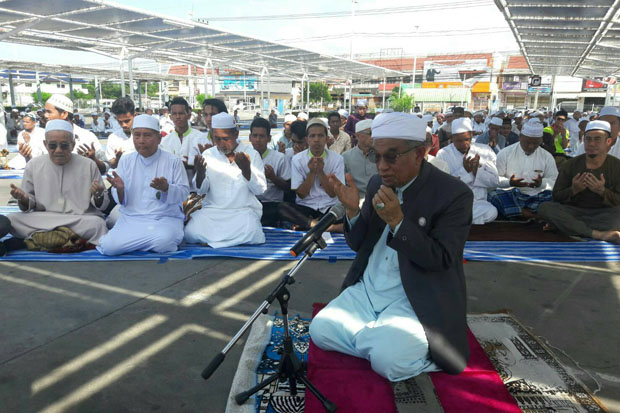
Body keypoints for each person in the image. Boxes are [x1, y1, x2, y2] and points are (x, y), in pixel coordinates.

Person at [309, 111, 473, 381]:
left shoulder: (453, 195)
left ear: (420, 153)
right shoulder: (377, 183)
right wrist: (352, 212)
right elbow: (359, 244)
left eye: (391, 156)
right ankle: (381, 338)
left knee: (389, 361)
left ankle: (388, 344)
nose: (381, 166)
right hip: (370, 289)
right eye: (377, 156)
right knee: (321, 329)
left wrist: (398, 222)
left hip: (414, 298)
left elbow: (442, 259)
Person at [1, 120, 109, 253]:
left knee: (98, 224)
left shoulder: (88, 165)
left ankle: (34, 239)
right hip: (45, 218)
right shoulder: (34, 165)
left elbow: (102, 205)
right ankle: (64, 238)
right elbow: (29, 204)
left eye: (64, 145)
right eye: (53, 145)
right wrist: (23, 199)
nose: (58, 150)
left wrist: (98, 194)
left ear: (73, 145)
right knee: (13, 219)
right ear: (45, 145)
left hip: (78, 219)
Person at [97, 115, 189, 255]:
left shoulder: (173, 161)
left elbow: (183, 192)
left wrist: (167, 188)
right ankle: (143, 242)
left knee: (164, 243)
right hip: (132, 219)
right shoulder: (126, 160)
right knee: (109, 247)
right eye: (137, 135)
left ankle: (135, 243)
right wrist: (120, 190)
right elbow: (122, 201)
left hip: (164, 218)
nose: (141, 141)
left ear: (159, 139)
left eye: (147, 135)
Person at [185, 112, 266, 247]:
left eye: (225, 139)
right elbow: (201, 190)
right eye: (217, 139)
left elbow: (260, 190)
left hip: (242, 211)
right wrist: (200, 174)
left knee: (252, 232)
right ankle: (225, 241)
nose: (221, 144)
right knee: (190, 232)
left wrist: (247, 171)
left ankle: (213, 241)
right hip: (213, 212)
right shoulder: (208, 154)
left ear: (236, 135)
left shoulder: (251, 154)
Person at [538, 120, 620, 243]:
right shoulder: (571, 164)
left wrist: (602, 191)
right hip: (574, 211)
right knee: (544, 208)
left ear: (608, 142)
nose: (592, 144)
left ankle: (571, 228)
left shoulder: (616, 166)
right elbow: (557, 196)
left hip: (604, 214)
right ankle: (597, 234)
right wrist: (574, 190)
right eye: (588, 139)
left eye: (597, 139)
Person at [279, 118, 345, 230]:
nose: (316, 140)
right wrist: (312, 172)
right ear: (307, 139)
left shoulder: (337, 159)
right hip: (306, 207)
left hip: (329, 207)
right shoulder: (297, 159)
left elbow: (333, 194)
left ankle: (310, 225)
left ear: (326, 139)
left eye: (320, 136)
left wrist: (320, 172)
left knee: (348, 210)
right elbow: (301, 194)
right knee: (282, 208)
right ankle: (326, 226)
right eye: (312, 136)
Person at [487, 119, 558, 220]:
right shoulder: (505, 153)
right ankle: (533, 215)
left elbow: (554, 180)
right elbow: (494, 179)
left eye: (535, 143)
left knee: (556, 197)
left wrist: (541, 183)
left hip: (537, 195)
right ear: (520, 137)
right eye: (527, 142)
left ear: (540, 141)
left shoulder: (547, 156)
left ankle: (517, 212)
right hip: (512, 194)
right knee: (493, 196)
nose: (531, 146)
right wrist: (510, 183)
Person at [437, 118, 498, 224]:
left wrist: (477, 172)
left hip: (478, 204)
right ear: (452, 138)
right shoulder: (443, 154)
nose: (464, 143)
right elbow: (443, 187)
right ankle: (468, 223)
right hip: (454, 203)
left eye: (467, 139)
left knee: (492, 212)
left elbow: (494, 181)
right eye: (459, 141)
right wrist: (464, 171)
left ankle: (458, 222)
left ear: (472, 136)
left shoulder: (485, 151)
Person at [44, 94, 107, 174]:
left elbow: (105, 168)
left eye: (49, 112)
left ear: (64, 114)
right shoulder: (42, 137)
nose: (45, 115)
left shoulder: (87, 137)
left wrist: (93, 159)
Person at [247, 117, 291, 227]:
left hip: (272, 205)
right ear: (250, 137)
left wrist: (273, 178)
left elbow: (289, 188)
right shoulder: (243, 157)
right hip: (249, 204)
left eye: (261, 136)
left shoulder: (279, 158)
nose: (257, 140)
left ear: (269, 138)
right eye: (255, 136)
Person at [161, 97, 209, 190]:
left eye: (181, 113)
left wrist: (191, 166)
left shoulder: (201, 138)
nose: (178, 117)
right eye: (174, 114)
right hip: (172, 191)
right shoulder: (165, 141)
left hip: (195, 192)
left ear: (189, 115)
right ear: (170, 117)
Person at [342, 119, 377, 204]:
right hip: (356, 201)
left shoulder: (382, 155)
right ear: (357, 136)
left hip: (379, 200)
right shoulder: (346, 157)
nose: (374, 136)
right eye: (370, 133)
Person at [107, 97, 136, 169]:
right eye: (120, 121)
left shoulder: (145, 135)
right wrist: (118, 159)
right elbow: (112, 165)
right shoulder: (113, 138)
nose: (124, 125)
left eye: (127, 121)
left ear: (135, 115)